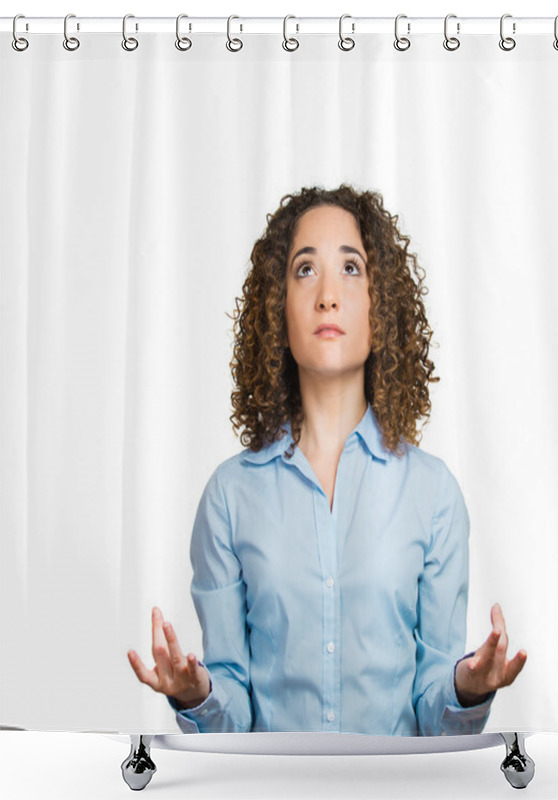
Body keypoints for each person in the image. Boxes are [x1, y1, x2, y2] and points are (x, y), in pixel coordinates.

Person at [127, 184, 527, 735]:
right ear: (278, 308)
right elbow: (233, 715)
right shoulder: (228, 497)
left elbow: (436, 720)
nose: (328, 296)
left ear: (379, 305)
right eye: (305, 270)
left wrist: (467, 689)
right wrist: (198, 694)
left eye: (352, 268)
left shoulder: (434, 496)